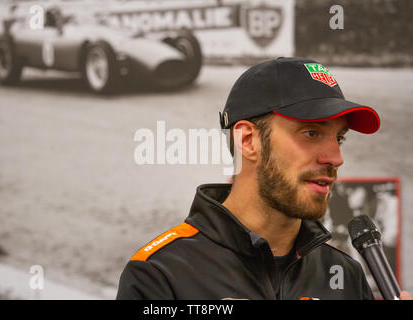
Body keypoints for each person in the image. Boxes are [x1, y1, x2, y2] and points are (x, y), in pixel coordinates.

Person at [116, 57, 411, 300]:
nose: (335, 157)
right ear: (248, 140)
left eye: (339, 138)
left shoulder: (346, 274)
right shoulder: (160, 275)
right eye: (311, 133)